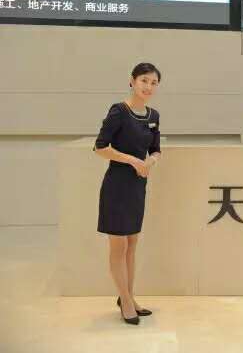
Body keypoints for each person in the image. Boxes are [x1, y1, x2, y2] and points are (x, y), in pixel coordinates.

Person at [94, 62, 161, 325]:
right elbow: (100, 147)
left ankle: (128, 297)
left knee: (132, 244)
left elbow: (155, 149)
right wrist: (133, 160)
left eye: (154, 83)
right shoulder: (119, 111)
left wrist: (150, 162)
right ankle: (125, 300)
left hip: (137, 186)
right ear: (132, 81)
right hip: (117, 185)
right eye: (144, 80)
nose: (148, 86)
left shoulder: (153, 115)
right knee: (118, 245)